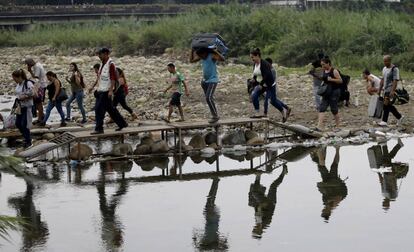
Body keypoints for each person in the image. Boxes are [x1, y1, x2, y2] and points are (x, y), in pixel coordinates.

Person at [90, 48, 128, 134]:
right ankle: (122, 123)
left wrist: (111, 90)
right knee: (111, 109)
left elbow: (113, 78)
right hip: (101, 90)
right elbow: (100, 77)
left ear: (106, 54)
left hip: (106, 91)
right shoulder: (102, 64)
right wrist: (94, 87)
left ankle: (99, 129)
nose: (99, 56)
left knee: (98, 109)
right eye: (99, 54)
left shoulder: (111, 64)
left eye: (100, 54)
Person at [249, 48, 290, 121]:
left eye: (252, 57)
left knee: (273, 101)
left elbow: (267, 75)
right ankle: (257, 113)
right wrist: (253, 79)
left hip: (270, 85)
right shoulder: (255, 64)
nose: (252, 59)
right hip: (262, 84)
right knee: (254, 95)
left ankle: (283, 112)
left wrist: (261, 84)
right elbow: (255, 74)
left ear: (257, 56)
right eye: (251, 57)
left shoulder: (264, 64)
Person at [248, 165, 287, 239]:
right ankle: (283, 173)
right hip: (270, 202)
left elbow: (258, 211)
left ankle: (258, 176)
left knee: (254, 192)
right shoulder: (266, 222)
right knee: (273, 186)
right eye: (255, 230)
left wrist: (256, 205)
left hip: (263, 203)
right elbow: (268, 210)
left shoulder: (258, 222)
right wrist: (261, 205)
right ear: (260, 231)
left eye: (253, 229)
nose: (254, 228)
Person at [312, 146, 347, 221]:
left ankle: (319, 149)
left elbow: (324, 192)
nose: (323, 209)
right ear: (328, 212)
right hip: (336, 185)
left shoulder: (325, 202)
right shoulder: (333, 205)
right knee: (334, 166)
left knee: (321, 167)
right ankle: (337, 149)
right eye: (324, 211)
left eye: (323, 210)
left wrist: (321, 188)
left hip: (327, 184)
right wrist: (331, 200)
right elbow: (339, 197)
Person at [190, 47, 224, 124]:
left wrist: (215, 51)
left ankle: (215, 116)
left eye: (202, 56)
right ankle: (214, 113)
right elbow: (191, 60)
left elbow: (222, 59)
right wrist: (192, 50)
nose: (201, 57)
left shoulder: (211, 55)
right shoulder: (201, 56)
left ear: (205, 52)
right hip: (205, 81)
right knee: (209, 98)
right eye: (200, 56)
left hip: (213, 80)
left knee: (208, 98)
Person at [377, 55, 404, 127]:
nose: (384, 62)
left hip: (390, 89)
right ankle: (399, 117)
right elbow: (382, 79)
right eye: (384, 61)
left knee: (386, 104)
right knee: (388, 105)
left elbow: (395, 80)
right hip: (385, 89)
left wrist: (392, 91)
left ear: (389, 61)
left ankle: (384, 121)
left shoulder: (395, 69)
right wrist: (379, 89)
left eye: (386, 61)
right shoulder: (384, 69)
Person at [316, 58, 343, 131]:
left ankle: (338, 126)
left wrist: (331, 79)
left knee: (334, 109)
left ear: (328, 63)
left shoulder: (334, 71)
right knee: (322, 108)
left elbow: (340, 80)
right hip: (326, 92)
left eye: (323, 64)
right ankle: (319, 126)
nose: (322, 66)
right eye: (321, 65)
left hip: (334, 92)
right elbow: (325, 79)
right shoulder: (324, 70)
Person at [12, 69, 35, 148]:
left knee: (24, 124)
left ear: (19, 77)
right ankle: (26, 137)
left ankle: (28, 141)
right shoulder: (19, 84)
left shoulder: (27, 83)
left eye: (15, 78)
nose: (14, 80)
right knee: (18, 124)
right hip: (20, 107)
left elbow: (33, 93)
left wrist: (24, 96)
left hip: (27, 107)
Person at [25, 58, 47, 123]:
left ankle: (41, 118)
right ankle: (41, 116)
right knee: (38, 103)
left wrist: (30, 71)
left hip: (40, 86)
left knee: (38, 103)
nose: (27, 66)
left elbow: (36, 78)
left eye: (28, 65)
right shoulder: (38, 64)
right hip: (42, 85)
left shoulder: (36, 67)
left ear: (30, 64)